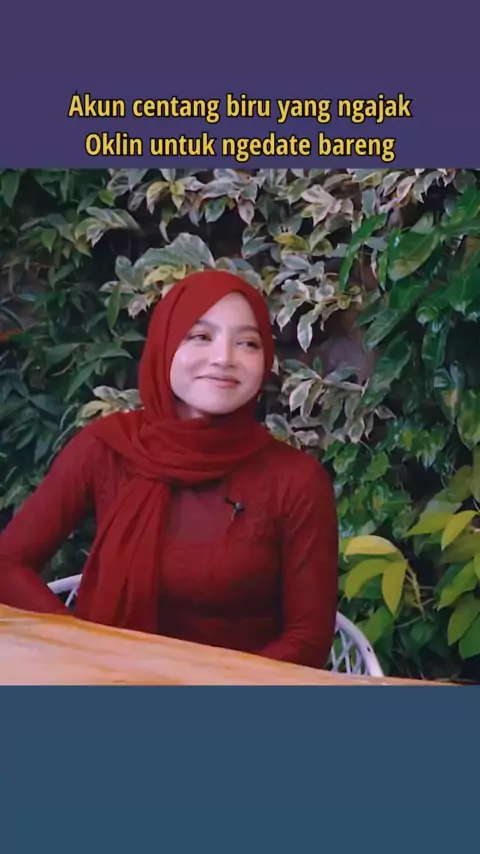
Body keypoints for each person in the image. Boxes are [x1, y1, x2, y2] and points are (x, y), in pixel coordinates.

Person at [0, 270, 338, 669]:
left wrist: (206, 689)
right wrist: (80, 644)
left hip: (237, 696)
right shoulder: (108, 448)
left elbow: (308, 639)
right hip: (105, 682)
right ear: (164, 344)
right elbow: (8, 564)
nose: (224, 358)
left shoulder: (295, 480)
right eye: (200, 336)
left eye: (248, 342)